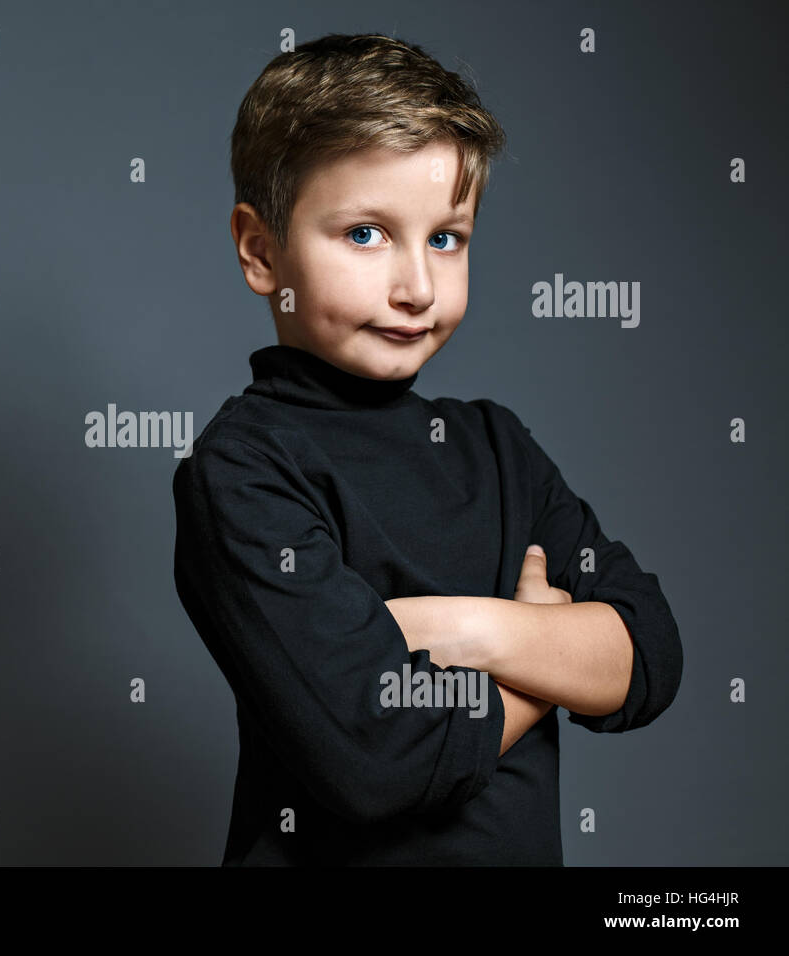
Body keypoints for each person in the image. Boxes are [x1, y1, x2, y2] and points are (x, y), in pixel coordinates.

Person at [171, 33, 683, 865]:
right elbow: (379, 759)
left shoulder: (498, 447)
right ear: (262, 252)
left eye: (446, 238)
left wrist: (467, 631)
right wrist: (547, 652)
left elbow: (651, 650)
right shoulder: (243, 469)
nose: (417, 287)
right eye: (367, 234)